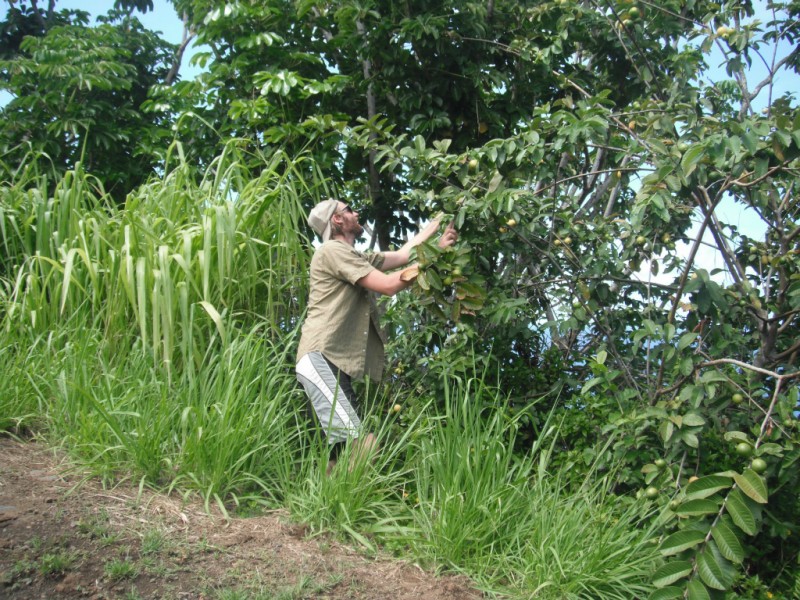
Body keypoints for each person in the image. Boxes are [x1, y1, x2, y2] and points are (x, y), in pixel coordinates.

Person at [295, 198, 458, 473]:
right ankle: (339, 509)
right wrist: (436, 256)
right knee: (365, 446)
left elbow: (406, 253)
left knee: (340, 455)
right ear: (337, 220)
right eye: (349, 210)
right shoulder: (333, 251)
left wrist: (439, 222)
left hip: (330, 363)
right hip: (320, 359)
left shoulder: (354, 256)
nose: (355, 213)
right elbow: (388, 285)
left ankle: (319, 510)